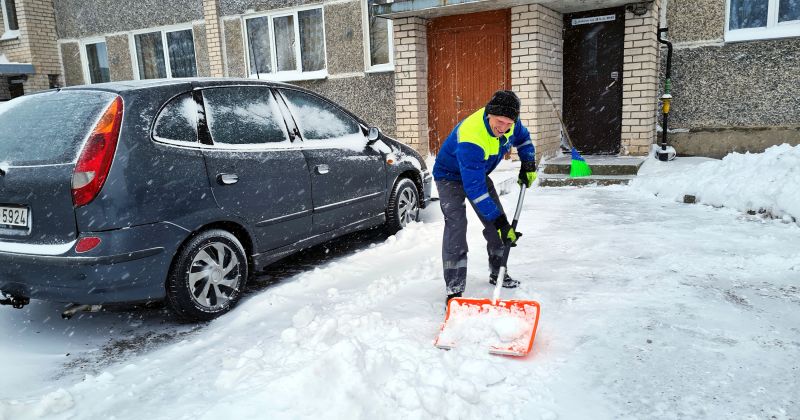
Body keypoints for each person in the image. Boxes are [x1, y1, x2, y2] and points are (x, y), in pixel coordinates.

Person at [432, 90, 537, 305]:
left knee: (497, 226)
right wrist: (501, 222)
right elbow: (475, 190)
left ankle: (498, 272)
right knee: (457, 226)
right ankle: (454, 289)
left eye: (508, 123)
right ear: (489, 114)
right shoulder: (471, 137)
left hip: (477, 174)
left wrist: (528, 163)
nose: (503, 128)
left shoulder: (512, 124)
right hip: (449, 177)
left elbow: (524, 140)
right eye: (499, 122)